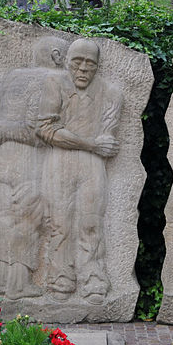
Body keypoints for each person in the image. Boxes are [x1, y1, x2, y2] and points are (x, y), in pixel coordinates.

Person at [0, 36, 68, 300]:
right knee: (28, 221)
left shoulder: (12, 77)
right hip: (29, 161)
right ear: (57, 55)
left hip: (0, 160)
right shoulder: (55, 80)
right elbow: (39, 131)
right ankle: (19, 283)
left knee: (4, 219)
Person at [36, 38, 122, 304]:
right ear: (66, 62)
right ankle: (60, 276)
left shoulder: (111, 94)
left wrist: (96, 145)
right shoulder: (54, 85)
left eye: (90, 64)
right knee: (59, 222)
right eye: (77, 62)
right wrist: (90, 143)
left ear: (97, 67)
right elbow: (46, 129)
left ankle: (93, 277)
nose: (83, 69)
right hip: (59, 162)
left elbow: (107, 139)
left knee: (91, 222)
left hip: (92, 166)